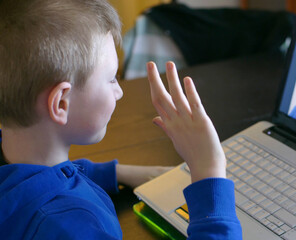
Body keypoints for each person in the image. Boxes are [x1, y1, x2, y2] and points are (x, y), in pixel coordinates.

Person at [0, 0, 242, 239]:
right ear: (61, 103)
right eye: (112, 78)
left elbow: (44, 179)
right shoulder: (73, 226)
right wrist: (209, 170)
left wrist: (116, 173)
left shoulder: (14, 154)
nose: (120, 91)